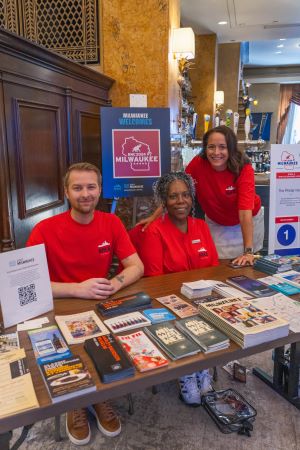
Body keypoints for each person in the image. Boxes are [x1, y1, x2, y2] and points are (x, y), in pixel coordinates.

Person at [27, 162, 144, 446]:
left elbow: (136, 266)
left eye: (91, 187)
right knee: (68, 356)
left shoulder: (112, 223)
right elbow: (28, 285)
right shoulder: (44, 229)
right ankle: (75, 403)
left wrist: (115, 283)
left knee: (116, 350)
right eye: (77, 188)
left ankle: (99, 396)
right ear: (66, 192)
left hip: (98, 305)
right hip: (57, 308)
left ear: (100, 190)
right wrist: (76, 289)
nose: (85, 194)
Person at [131, 172, 218, 405]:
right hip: (169, 304)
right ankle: (187, 372)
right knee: (186, 321)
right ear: (163, 201)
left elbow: (213, 269)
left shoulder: (201, 226)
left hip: (202, 299)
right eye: (173, 196)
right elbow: (154, 283)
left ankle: (203, 367)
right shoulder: (154, 232)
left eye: (185, 195)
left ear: (192, 198)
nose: (180, 201)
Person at [140, 126, 264, 266]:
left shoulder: (243, 168)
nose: (216, 152)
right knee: (218, 263)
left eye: (222, 147)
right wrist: (154, 217)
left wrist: (248, 251)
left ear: (230, 148)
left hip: (246, 221)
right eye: (211, 147)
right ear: (205, 148)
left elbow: (244, 212)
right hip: (216, 221)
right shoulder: (197, 164)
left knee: (247, 264)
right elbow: (178, 192)